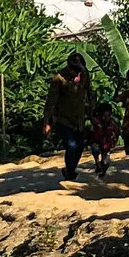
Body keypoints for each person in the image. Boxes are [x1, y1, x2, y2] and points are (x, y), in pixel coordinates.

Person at [45, 54, 95, 182]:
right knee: (71, 145)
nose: (77, 74)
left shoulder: (84, 74)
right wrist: (47, 122)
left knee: (80, 146)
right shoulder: (59, 79)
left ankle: (70, 170)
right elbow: (51, 101)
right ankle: (70, 172)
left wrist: (92, 111)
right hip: (63, 118)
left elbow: (89, 92)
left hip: (79, 118)